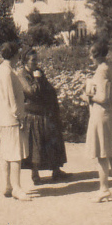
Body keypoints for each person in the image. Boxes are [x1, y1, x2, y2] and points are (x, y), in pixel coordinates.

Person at [19, 48, 68, 185]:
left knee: (52, 141)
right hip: (33, 114)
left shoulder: (39, 72)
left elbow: (49, 90)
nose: (36, 63)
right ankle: (35, 174)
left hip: (45, 112)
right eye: (33, 60)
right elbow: (31, 92)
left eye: (36, 60)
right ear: (25, 62)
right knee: (36, 145)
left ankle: (56, 170)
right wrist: (37, 79)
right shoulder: (22, 75)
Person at [82, 40, 112, 202]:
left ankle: (104, 188)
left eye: (92, 55)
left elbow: (103, 97)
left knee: (101, 153)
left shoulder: (101, 71)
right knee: (110, 150)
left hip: (100, 114)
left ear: (95, 55)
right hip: (109, 113)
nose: (90, 58)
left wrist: (87, 96)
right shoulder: (108, 68)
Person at [0, 42, 32, 201]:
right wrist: (20, 117)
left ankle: (7, 185)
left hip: (2, 118)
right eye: (18, 54)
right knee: (15, 153)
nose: (19, 57)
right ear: (14, 55)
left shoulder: (2, 70)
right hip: (11, 119)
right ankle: (16, 187)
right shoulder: (7, 73)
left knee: (5, 152)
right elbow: (11, 99)